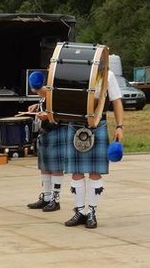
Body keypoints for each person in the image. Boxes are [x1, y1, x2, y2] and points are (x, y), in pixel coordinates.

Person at [63, 69, 124, 229]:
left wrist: (119, 126)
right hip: (75, 124)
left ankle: (92, 212)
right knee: (76, 171)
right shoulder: (73, 74)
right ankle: (80, 211)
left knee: (95, 172)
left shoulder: (107, 75)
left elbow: (117, 101)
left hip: (98, 125)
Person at [26, 71, 64, 212]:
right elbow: (45, 102)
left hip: (55, 132)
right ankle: (46, 197)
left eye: (38, 91)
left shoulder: (54, 94)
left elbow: (61, 112)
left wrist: (47, 116)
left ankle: (55, 199)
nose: (37, 93)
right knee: (45, 167)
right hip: (45, 133)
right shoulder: (43, 95)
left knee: (56, 168)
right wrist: (37, 106)